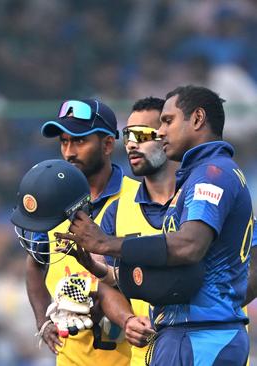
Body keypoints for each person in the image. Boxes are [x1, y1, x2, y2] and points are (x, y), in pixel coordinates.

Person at [57, 85, 252, 365]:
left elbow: (189, 246)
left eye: (167, 121)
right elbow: (176, 276)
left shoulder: (212, 175)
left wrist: (106, 243)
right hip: (185, 334)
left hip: (200, 338)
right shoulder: (204, 176)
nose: (161, 132)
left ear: (197, 119)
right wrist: (101, 270)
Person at [25, 98, 138, 365]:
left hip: (131, 358)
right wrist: (42, 321)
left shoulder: (139, 199)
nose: (69, 152)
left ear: (108, 144)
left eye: (79, 141)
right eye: (64, 142)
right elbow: (33, 265)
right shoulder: (52, 202)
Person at [68, 97, 177, 366]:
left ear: (167, 137)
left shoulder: (205, 194)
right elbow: (108, 284)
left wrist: (221, 310)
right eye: (128, 135)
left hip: (211, 349)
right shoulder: (118, 211)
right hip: (145, 356)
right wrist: (127, 320)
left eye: (142, 134)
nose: (130, 144)